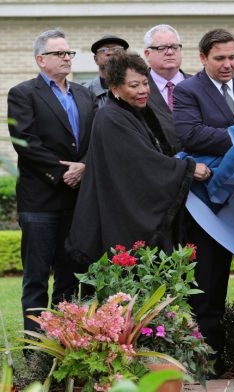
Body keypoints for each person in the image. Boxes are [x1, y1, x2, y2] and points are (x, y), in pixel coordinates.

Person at [172, 28, 234, 374]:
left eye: (232, 57)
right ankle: (209, 365)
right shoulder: (187, 90)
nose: (228, 64)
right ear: (202, 59)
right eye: (219, 59)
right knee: (208, 288)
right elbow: (190, 134)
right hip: (208, 207)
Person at [67, 53, 210, 264]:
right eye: (134, 86)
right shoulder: (109, 117)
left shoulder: (135, 113)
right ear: (115, 89)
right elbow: (142, 162)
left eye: (145, 83)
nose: (143, 90)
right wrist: (188, 168)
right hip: (121, 217)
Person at [7, 29, 97, 332]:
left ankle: (65, 344)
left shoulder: (84, 94)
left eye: (69, 53)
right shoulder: (23, 94)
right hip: (40, 202)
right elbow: (25, 141)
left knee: (70, 279)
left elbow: (96, 139)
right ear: (40, 59)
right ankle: (35, 354)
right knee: (36, 279)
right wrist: (63, 173)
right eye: (59, 53)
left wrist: (83, 167)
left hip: (78, 201)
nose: (66, 58)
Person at [144, 24, 190, 153]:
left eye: (174, 47)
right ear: (147, 54)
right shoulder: (137, 89)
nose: (170, 52)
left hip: (202, 165)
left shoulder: (199, 85)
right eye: (162, 48)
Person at [85, 34, 129, 107]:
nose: (110, 53)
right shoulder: (85, 92)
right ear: (96, 59)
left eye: (116, 49)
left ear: (125, 56)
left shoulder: (139, 88)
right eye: (103, 50)